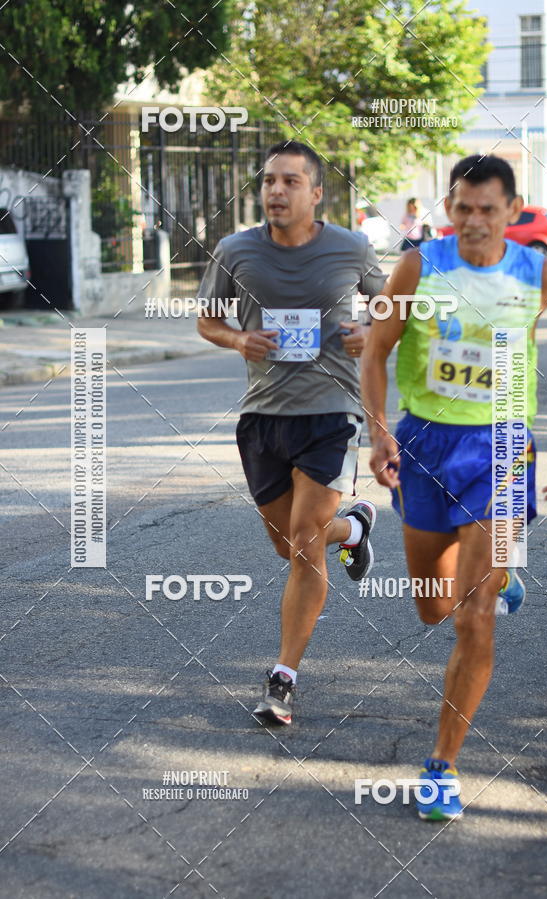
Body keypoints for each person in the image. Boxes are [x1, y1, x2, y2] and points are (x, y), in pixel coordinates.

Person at [361, 154, 547, 820]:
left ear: (511, 212)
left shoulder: (541, 274)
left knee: (474, 620)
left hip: (499, 450)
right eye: (461, 207)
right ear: (449, 205)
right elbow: (377, 350)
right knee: (434, 607)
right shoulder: (417, 265)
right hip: (425, 444)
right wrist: (379, 431)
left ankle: (442, 766)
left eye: (486, 210)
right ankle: (495, 575)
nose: (471, 221)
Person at [197, 140, 387, 725]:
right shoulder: (236, 249)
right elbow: (208, 320)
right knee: (287, 543)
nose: (276, 191)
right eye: (269, 182)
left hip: (331, 413)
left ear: (316, 192)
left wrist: (368, 335)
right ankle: (353, 528)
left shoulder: (351, 247)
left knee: (303, 543)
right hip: (262, 418)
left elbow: (389, 309)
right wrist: (238, 339)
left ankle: (283, 679)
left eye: (289, 182)